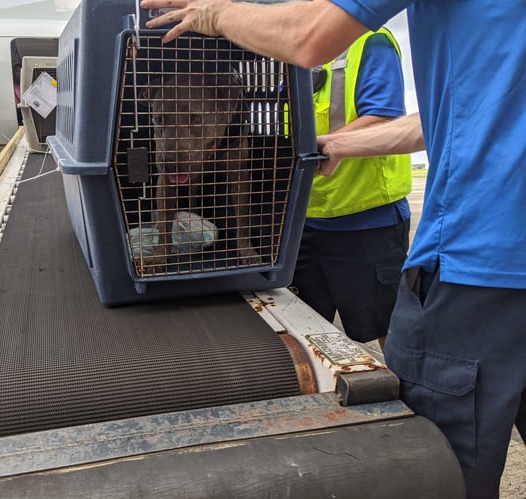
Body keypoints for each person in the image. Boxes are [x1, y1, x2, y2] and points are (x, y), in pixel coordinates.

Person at [140, 1, 526, 497]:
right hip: (327, 224)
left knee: (436, 464)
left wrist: (214, 14)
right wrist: (335, 145)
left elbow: (309, 36)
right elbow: (453, 121)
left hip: (476, 262)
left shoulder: (366, 42)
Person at [289, 28, 411, 349]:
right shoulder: (293, 47)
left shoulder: (370, 42)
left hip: (368, 222)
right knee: (302, 333)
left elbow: (385, 118)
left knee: (389, 330)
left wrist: (329, 145)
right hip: (304, 222)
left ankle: (404, 398)